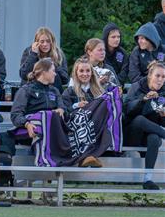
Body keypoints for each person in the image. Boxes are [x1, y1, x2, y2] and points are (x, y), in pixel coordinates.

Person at [10, 58, 118, 168]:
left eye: (88, 71)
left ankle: (84, 157)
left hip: (55, 129)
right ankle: (49, 160)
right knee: (47, 116)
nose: (55, 74)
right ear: (44, 72)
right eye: (53, 71)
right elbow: (15, 115)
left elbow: (65, 113)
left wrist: (62, 110)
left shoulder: (54, 91)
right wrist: (26, 124)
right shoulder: (26, 90)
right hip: (33, 129)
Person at [123, 61, 165, 190]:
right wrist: (143, 100)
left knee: (154, 138)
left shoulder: (163, 93)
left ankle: (148, 179)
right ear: (150, 76)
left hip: (148, 137)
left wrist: (163, 116)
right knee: (140, 119)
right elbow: (127, 110)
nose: (160, 80)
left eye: (163, 77)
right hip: (131, 134)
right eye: (157, 76)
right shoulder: (137, 86)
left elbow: (161, 123)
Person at [19, 27, 68, 92]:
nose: (45, 44)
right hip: (33, 92)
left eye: (48, 41)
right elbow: (24, 75)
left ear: (52, 42)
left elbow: (65, 79)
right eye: (42, 42)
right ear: (36, 42)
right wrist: (34, 54)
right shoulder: (29, 52)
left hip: (53, 93)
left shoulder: (58, 54)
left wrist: (53, 65)